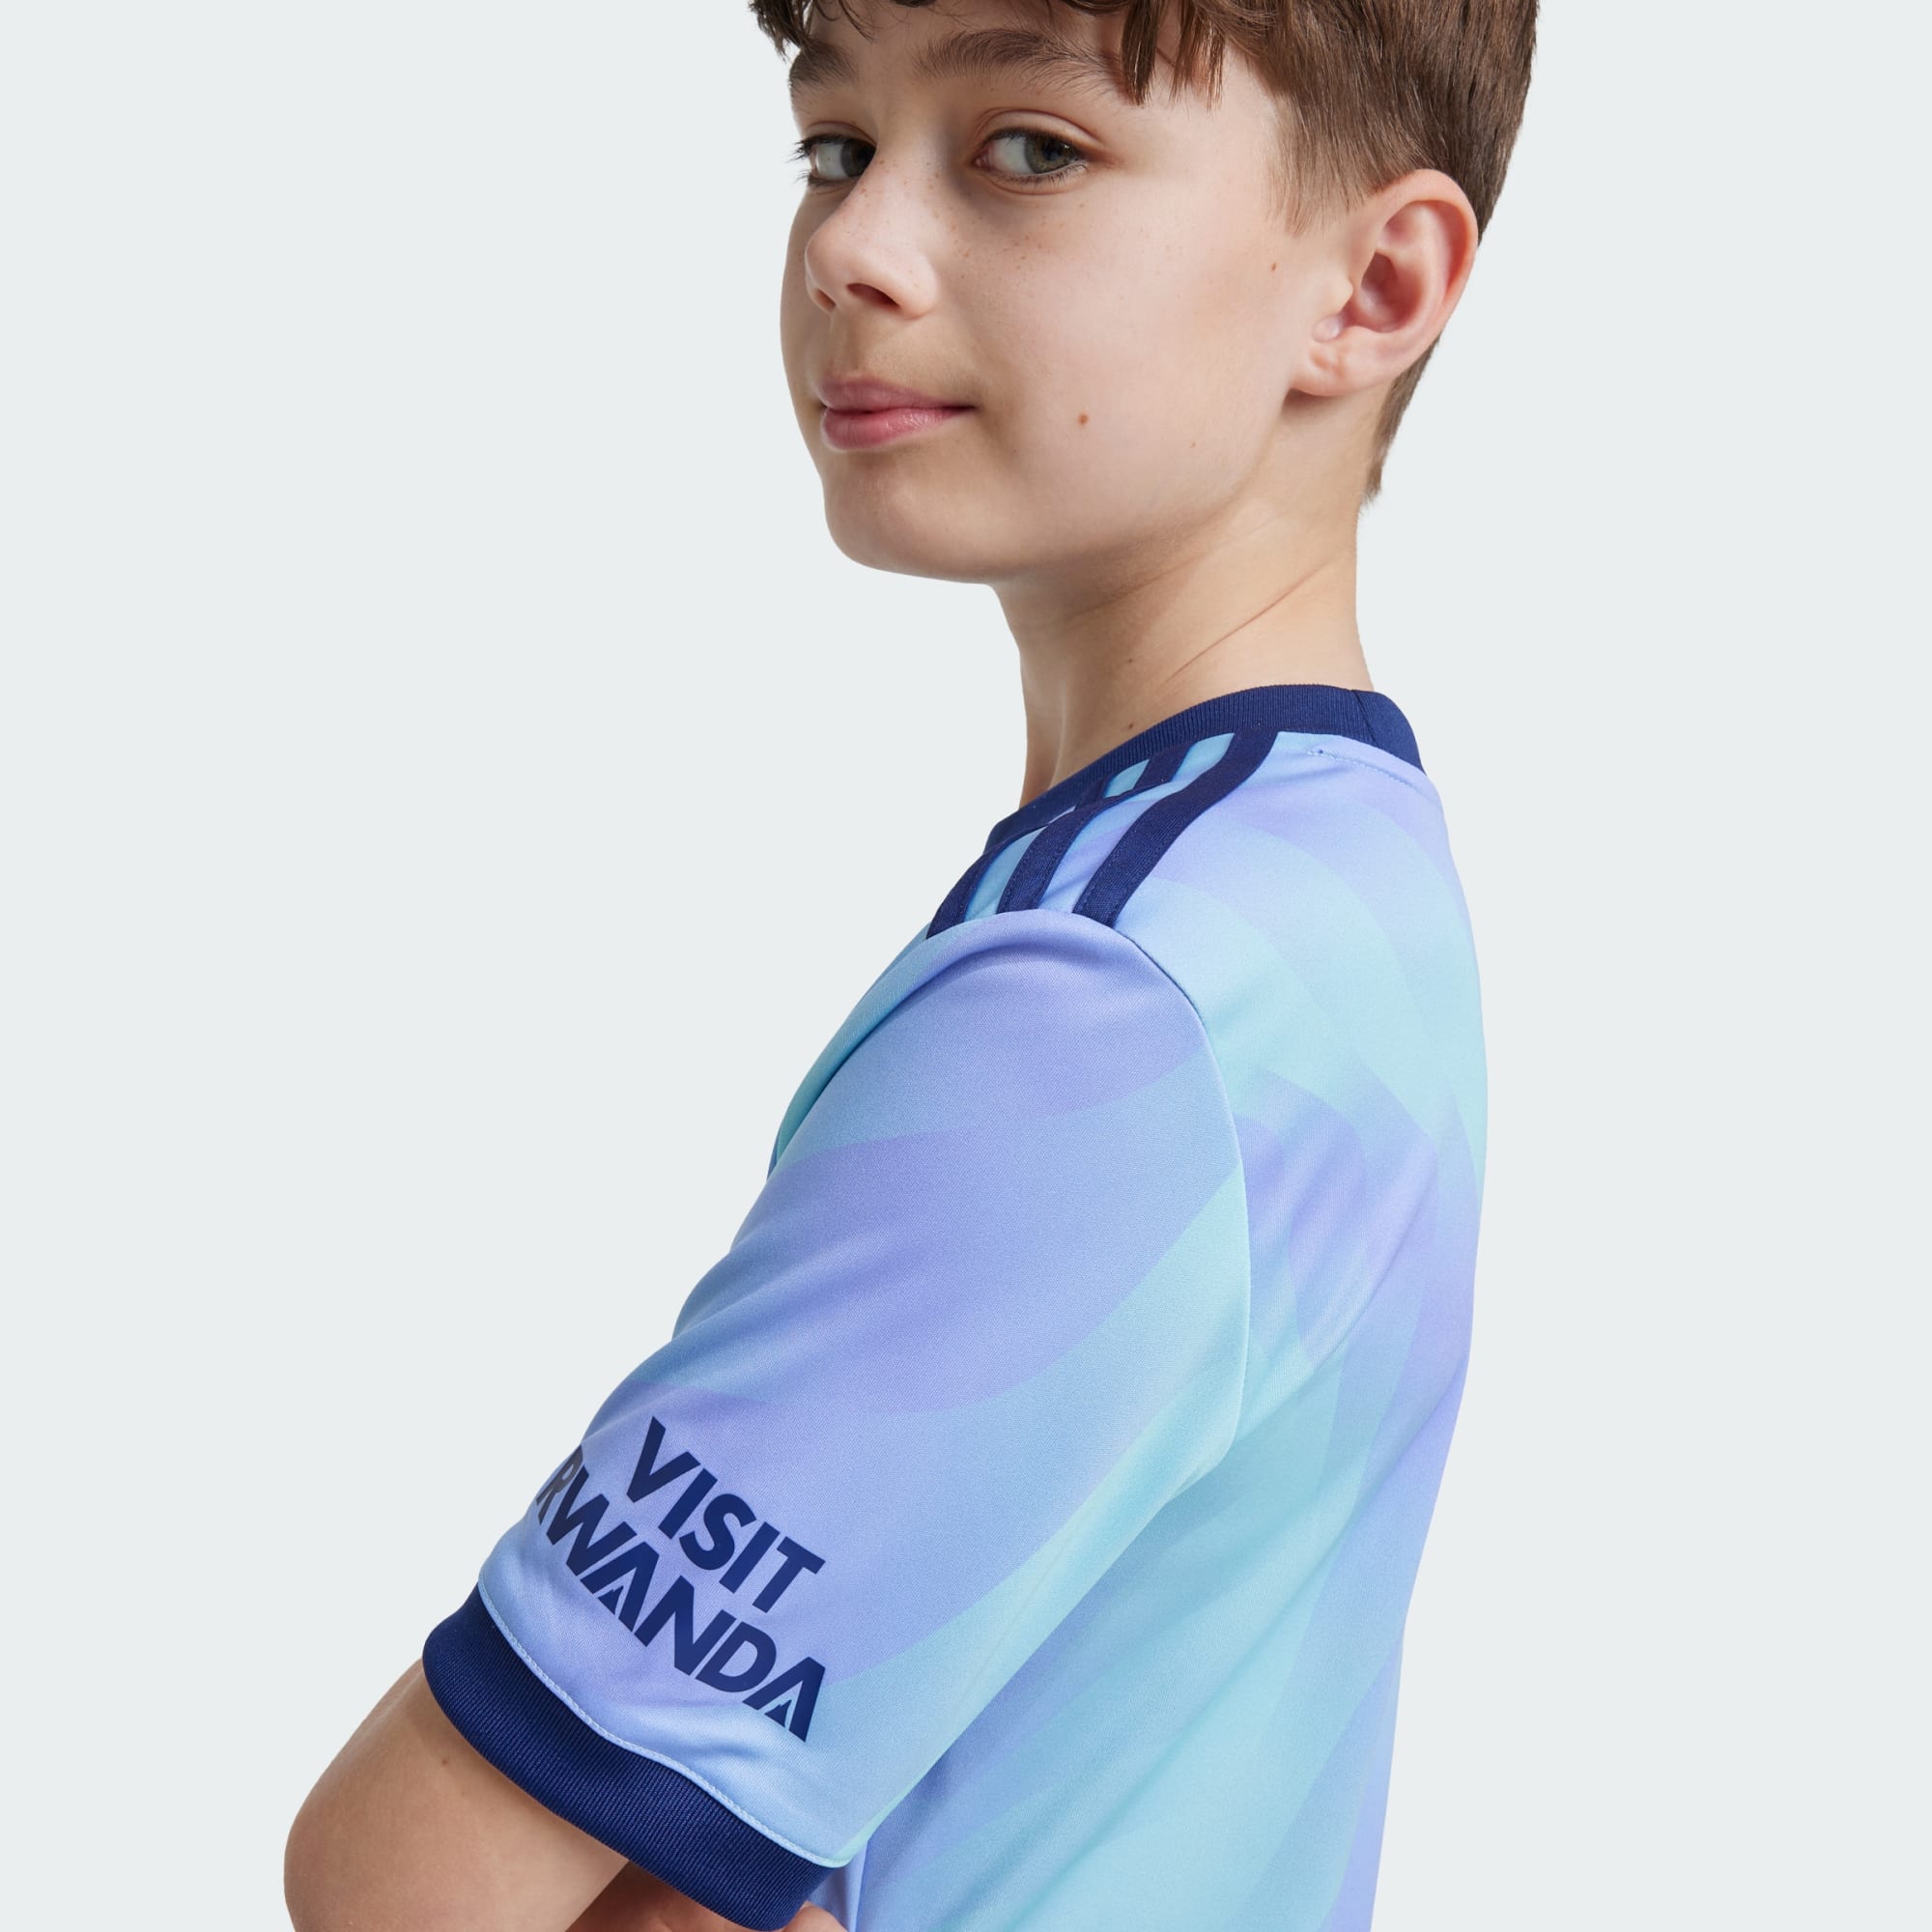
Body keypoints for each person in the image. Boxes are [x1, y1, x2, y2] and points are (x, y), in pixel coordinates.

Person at [284, 1, 1536, 1926]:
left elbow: (408, 1878)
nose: (852, 247)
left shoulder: (1109, 1009)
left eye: (1029, 149)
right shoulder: (1327, 869)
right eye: (835, 145)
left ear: (1371, 287)